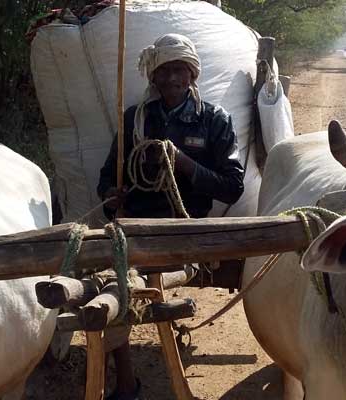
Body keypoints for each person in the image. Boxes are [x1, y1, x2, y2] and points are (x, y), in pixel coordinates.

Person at [97, 33, 245, 399]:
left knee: (138, 285)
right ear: (153, 77)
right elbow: (106, 179)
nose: (171, 79)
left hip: (187, 228)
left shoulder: (214, 120)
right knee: (112, 286)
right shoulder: (135, 119)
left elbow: (232, 187)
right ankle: (125, 381)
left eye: (179, 70)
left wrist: (184, 164)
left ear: (192, 75)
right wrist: (111, 197)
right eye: (163, 71)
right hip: (135, 225)